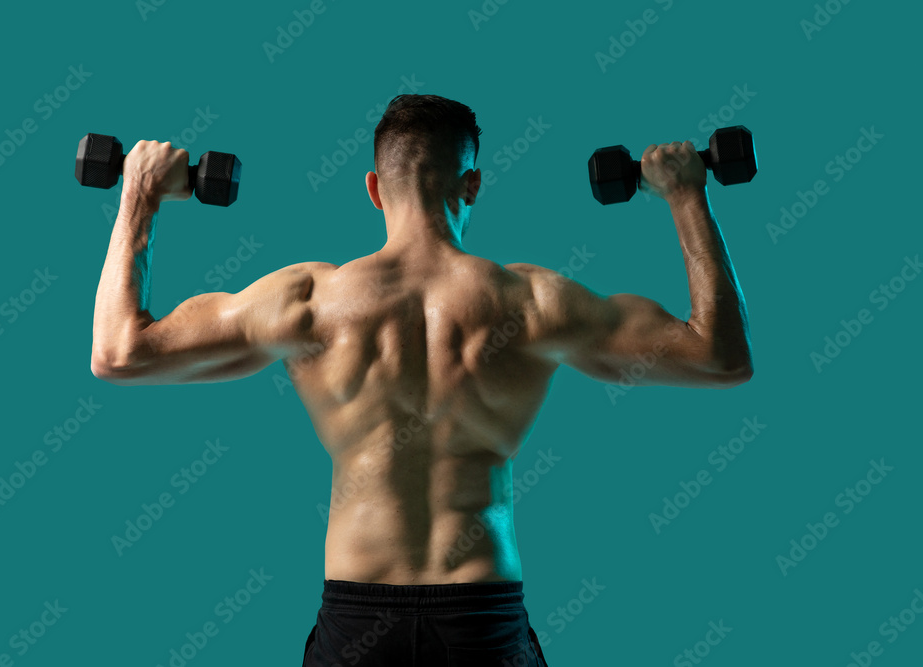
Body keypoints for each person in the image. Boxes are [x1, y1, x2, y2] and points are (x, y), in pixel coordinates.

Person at [90, 95, 753, 666]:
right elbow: (718, 354)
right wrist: (686, 194)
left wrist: (140, 197)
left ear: (375, 187)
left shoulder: (308, 300)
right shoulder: (532, 302)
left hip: (356, 617)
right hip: (481, 618)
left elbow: (120, 351)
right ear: (472, 185)